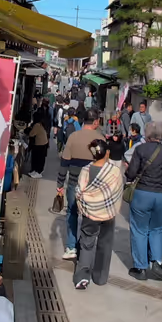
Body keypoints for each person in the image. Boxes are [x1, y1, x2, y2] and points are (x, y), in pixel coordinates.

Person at [125, 122, 162, 281]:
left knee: (139, 229)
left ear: (147, 134)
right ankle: (156, 261)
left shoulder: (140, 149)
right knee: (158, 229)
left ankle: (140, 267)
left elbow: (131, 173)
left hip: (143, 193)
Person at [73, 138, 122, 290]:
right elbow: (117, 191)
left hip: (90, 213)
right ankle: (100, 277)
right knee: (105, 244)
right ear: (107, 153)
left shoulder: (86, 170)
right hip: (108, 213)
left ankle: (82, 278)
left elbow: (79, 191)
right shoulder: (114, 171)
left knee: (87, 244)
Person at [57, 109, 106, 261]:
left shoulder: (73, 137)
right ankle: (85, 247)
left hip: (74, 181)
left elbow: (64, 162)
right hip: (93, 185)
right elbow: (104, 164)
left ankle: (71, 247)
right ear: (96, 121)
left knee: (72, 213)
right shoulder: (100, 139)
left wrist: (60, 183)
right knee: (89, 215)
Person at [25, 114, 48, 179]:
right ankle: (36, 171)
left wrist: (28, 131)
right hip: (43, 143)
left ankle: (38, 172)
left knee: (37, 158)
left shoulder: (37, 125)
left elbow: (31, 134)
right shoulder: (41, 124)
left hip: (40, 144)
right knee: (40, 158)